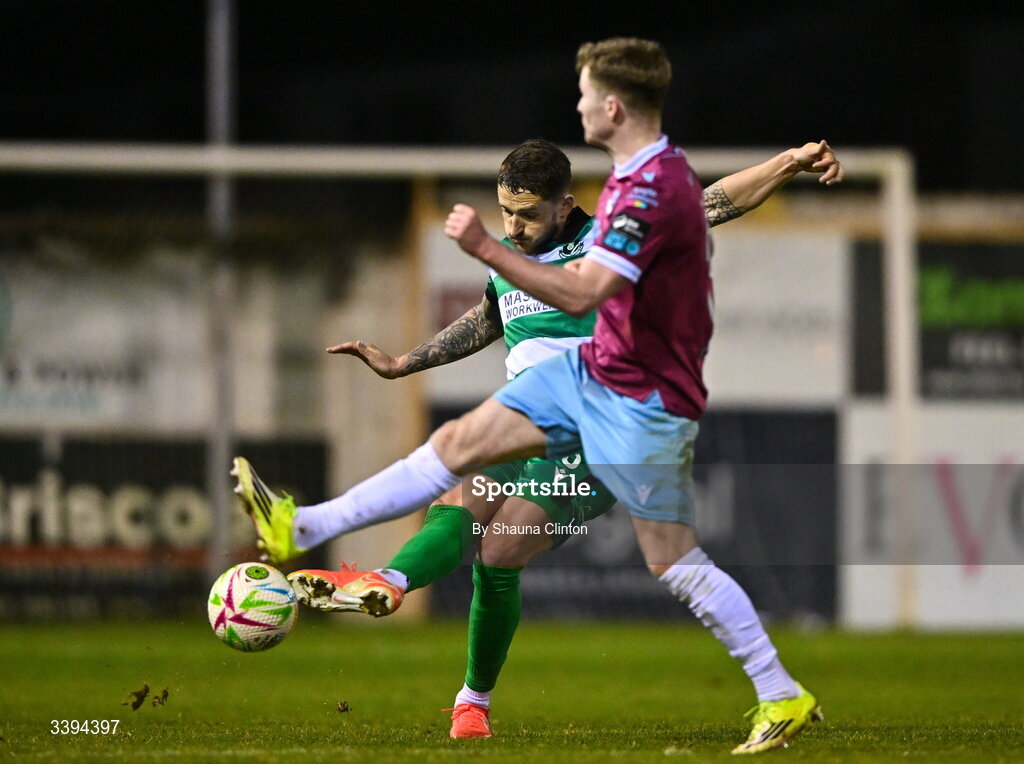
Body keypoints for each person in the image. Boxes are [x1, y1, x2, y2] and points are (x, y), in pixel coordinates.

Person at [233, 38, 832, 754]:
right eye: (505, 214)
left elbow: (715, 202)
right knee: (485, 526)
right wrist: (403, 363)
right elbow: (484, 322)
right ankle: (447, 669)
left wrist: (789, 163)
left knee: (480, 495)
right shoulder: (522, 260)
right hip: (562, 411)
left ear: (564, 204)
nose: (513, 226)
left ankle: (341, 549)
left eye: (526, 215)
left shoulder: (613, 230)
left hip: (604, 417)